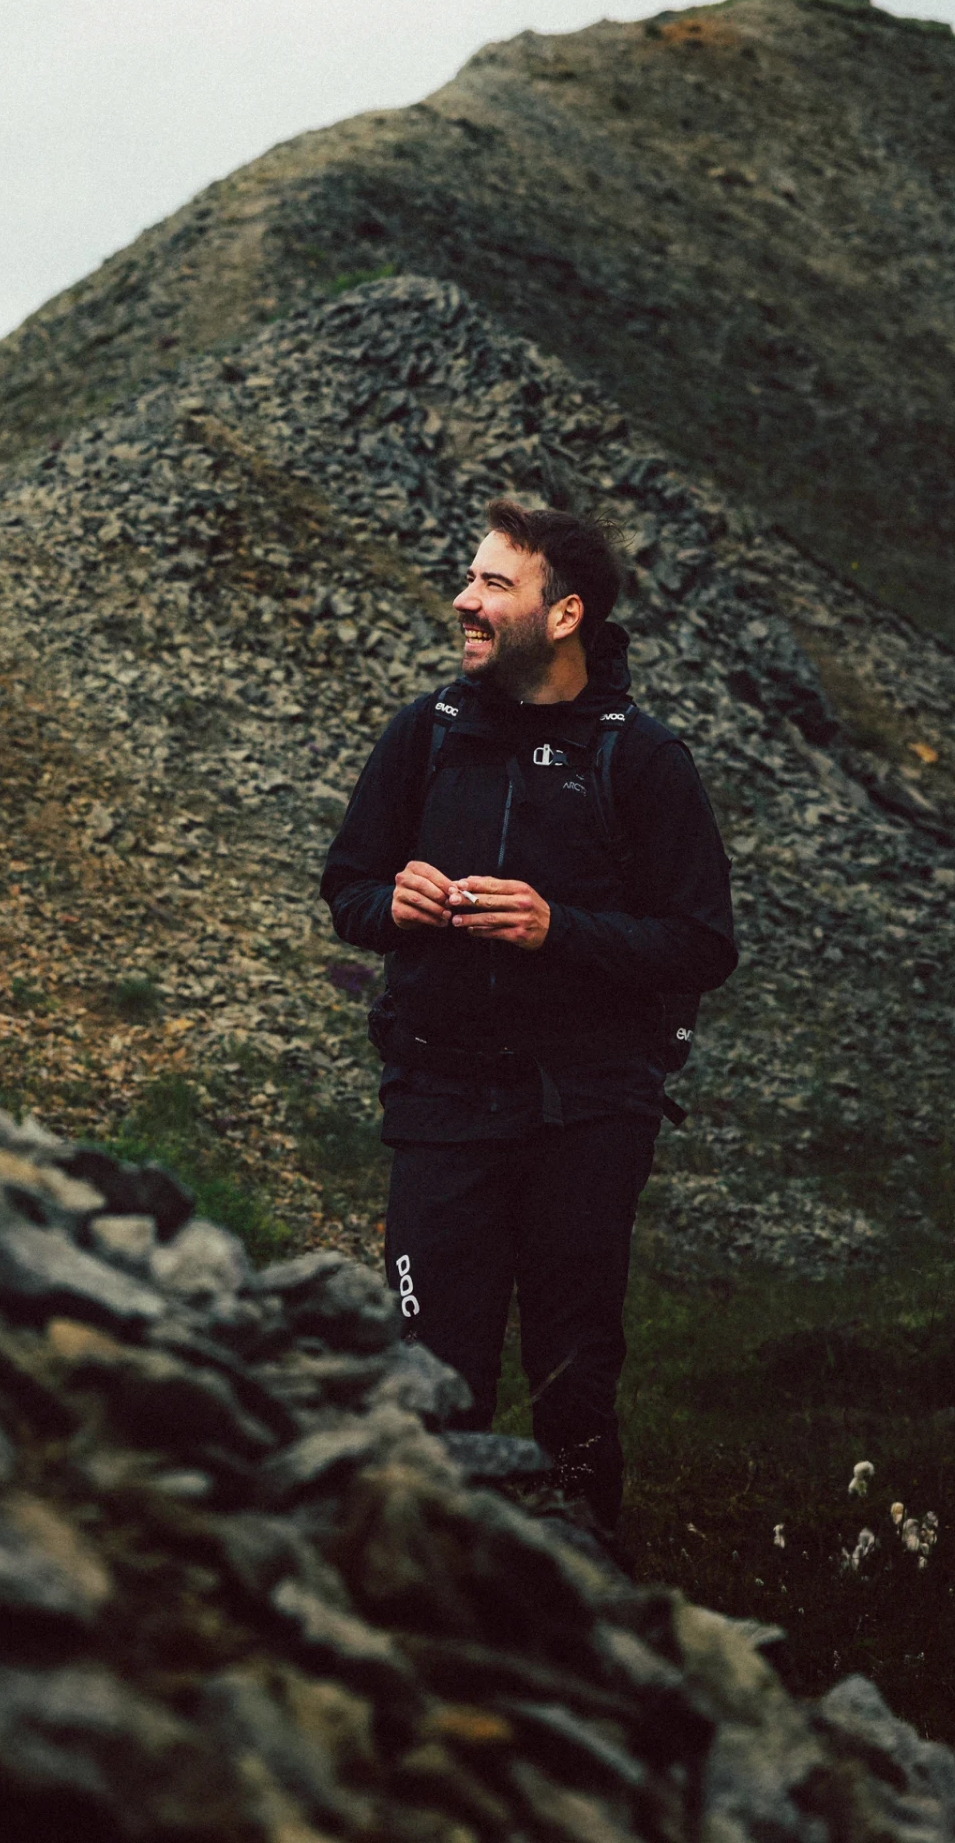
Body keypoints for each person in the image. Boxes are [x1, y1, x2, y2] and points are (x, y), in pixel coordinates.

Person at [320, 497, 737, 1534]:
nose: (464, 599)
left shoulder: (640, 758)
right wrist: (392, 904)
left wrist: (560, 930)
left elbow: (702, 943)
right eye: (472, 578)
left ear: (564, 615)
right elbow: (347, 890)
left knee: (573, 1383)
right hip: (440, 1104)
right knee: (430, 1382)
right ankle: (433, 1593)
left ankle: (585, 1598)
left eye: (493, 584)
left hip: (586, 1115)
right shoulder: (425, 735)